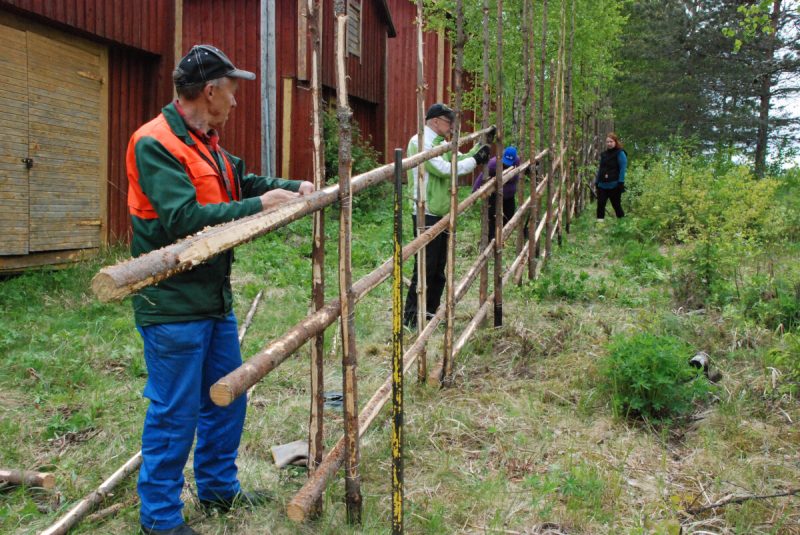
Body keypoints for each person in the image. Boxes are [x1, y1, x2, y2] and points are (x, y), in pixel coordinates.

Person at [126, 44, 314, 535]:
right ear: (210, 92)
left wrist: (292, 188)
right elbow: (183, 221)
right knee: (175, 411)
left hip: (212, 300)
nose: (236, 102)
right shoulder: (155, 143)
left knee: (227, 398)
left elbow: (242, 181)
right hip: (171, 303)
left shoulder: (206, 142)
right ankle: (161, 520)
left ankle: (217, 489)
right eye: (232, 92)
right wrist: (259, 208)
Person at [403, 103, 491, 328]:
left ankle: (430, 311)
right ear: (435, 121)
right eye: (448, 122)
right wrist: (474, 161)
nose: (451, 126)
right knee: (425, 265)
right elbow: (443, 168)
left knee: (439, 266)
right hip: (426, 210)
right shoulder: (420, 141)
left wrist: (477, 151)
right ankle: (412, 317)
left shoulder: (440, 142)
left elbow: (457, 159)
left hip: (441, 210)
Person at [472, 146, 521, 241]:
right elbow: (481, 177)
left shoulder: (517, 161)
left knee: (509, 216)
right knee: (492, 217)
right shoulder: (493, 163)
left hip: (509, 195)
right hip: (495, 195)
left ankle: (501, 237)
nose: (507, 165)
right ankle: (491, 239)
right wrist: (474, 193)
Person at [595, 132, 627, 220]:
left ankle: (622, 224)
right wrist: (597, 181)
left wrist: (621, 182)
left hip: (615, 184)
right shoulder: (604, 154)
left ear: (615, 142)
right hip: (602, 185)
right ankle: (599, 226)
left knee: (616, 205)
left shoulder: (620, 153)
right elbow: (601, 169)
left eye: (611, 141)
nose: (609, 143)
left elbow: (622, 168)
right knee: (600, 205)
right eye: (607, 142)